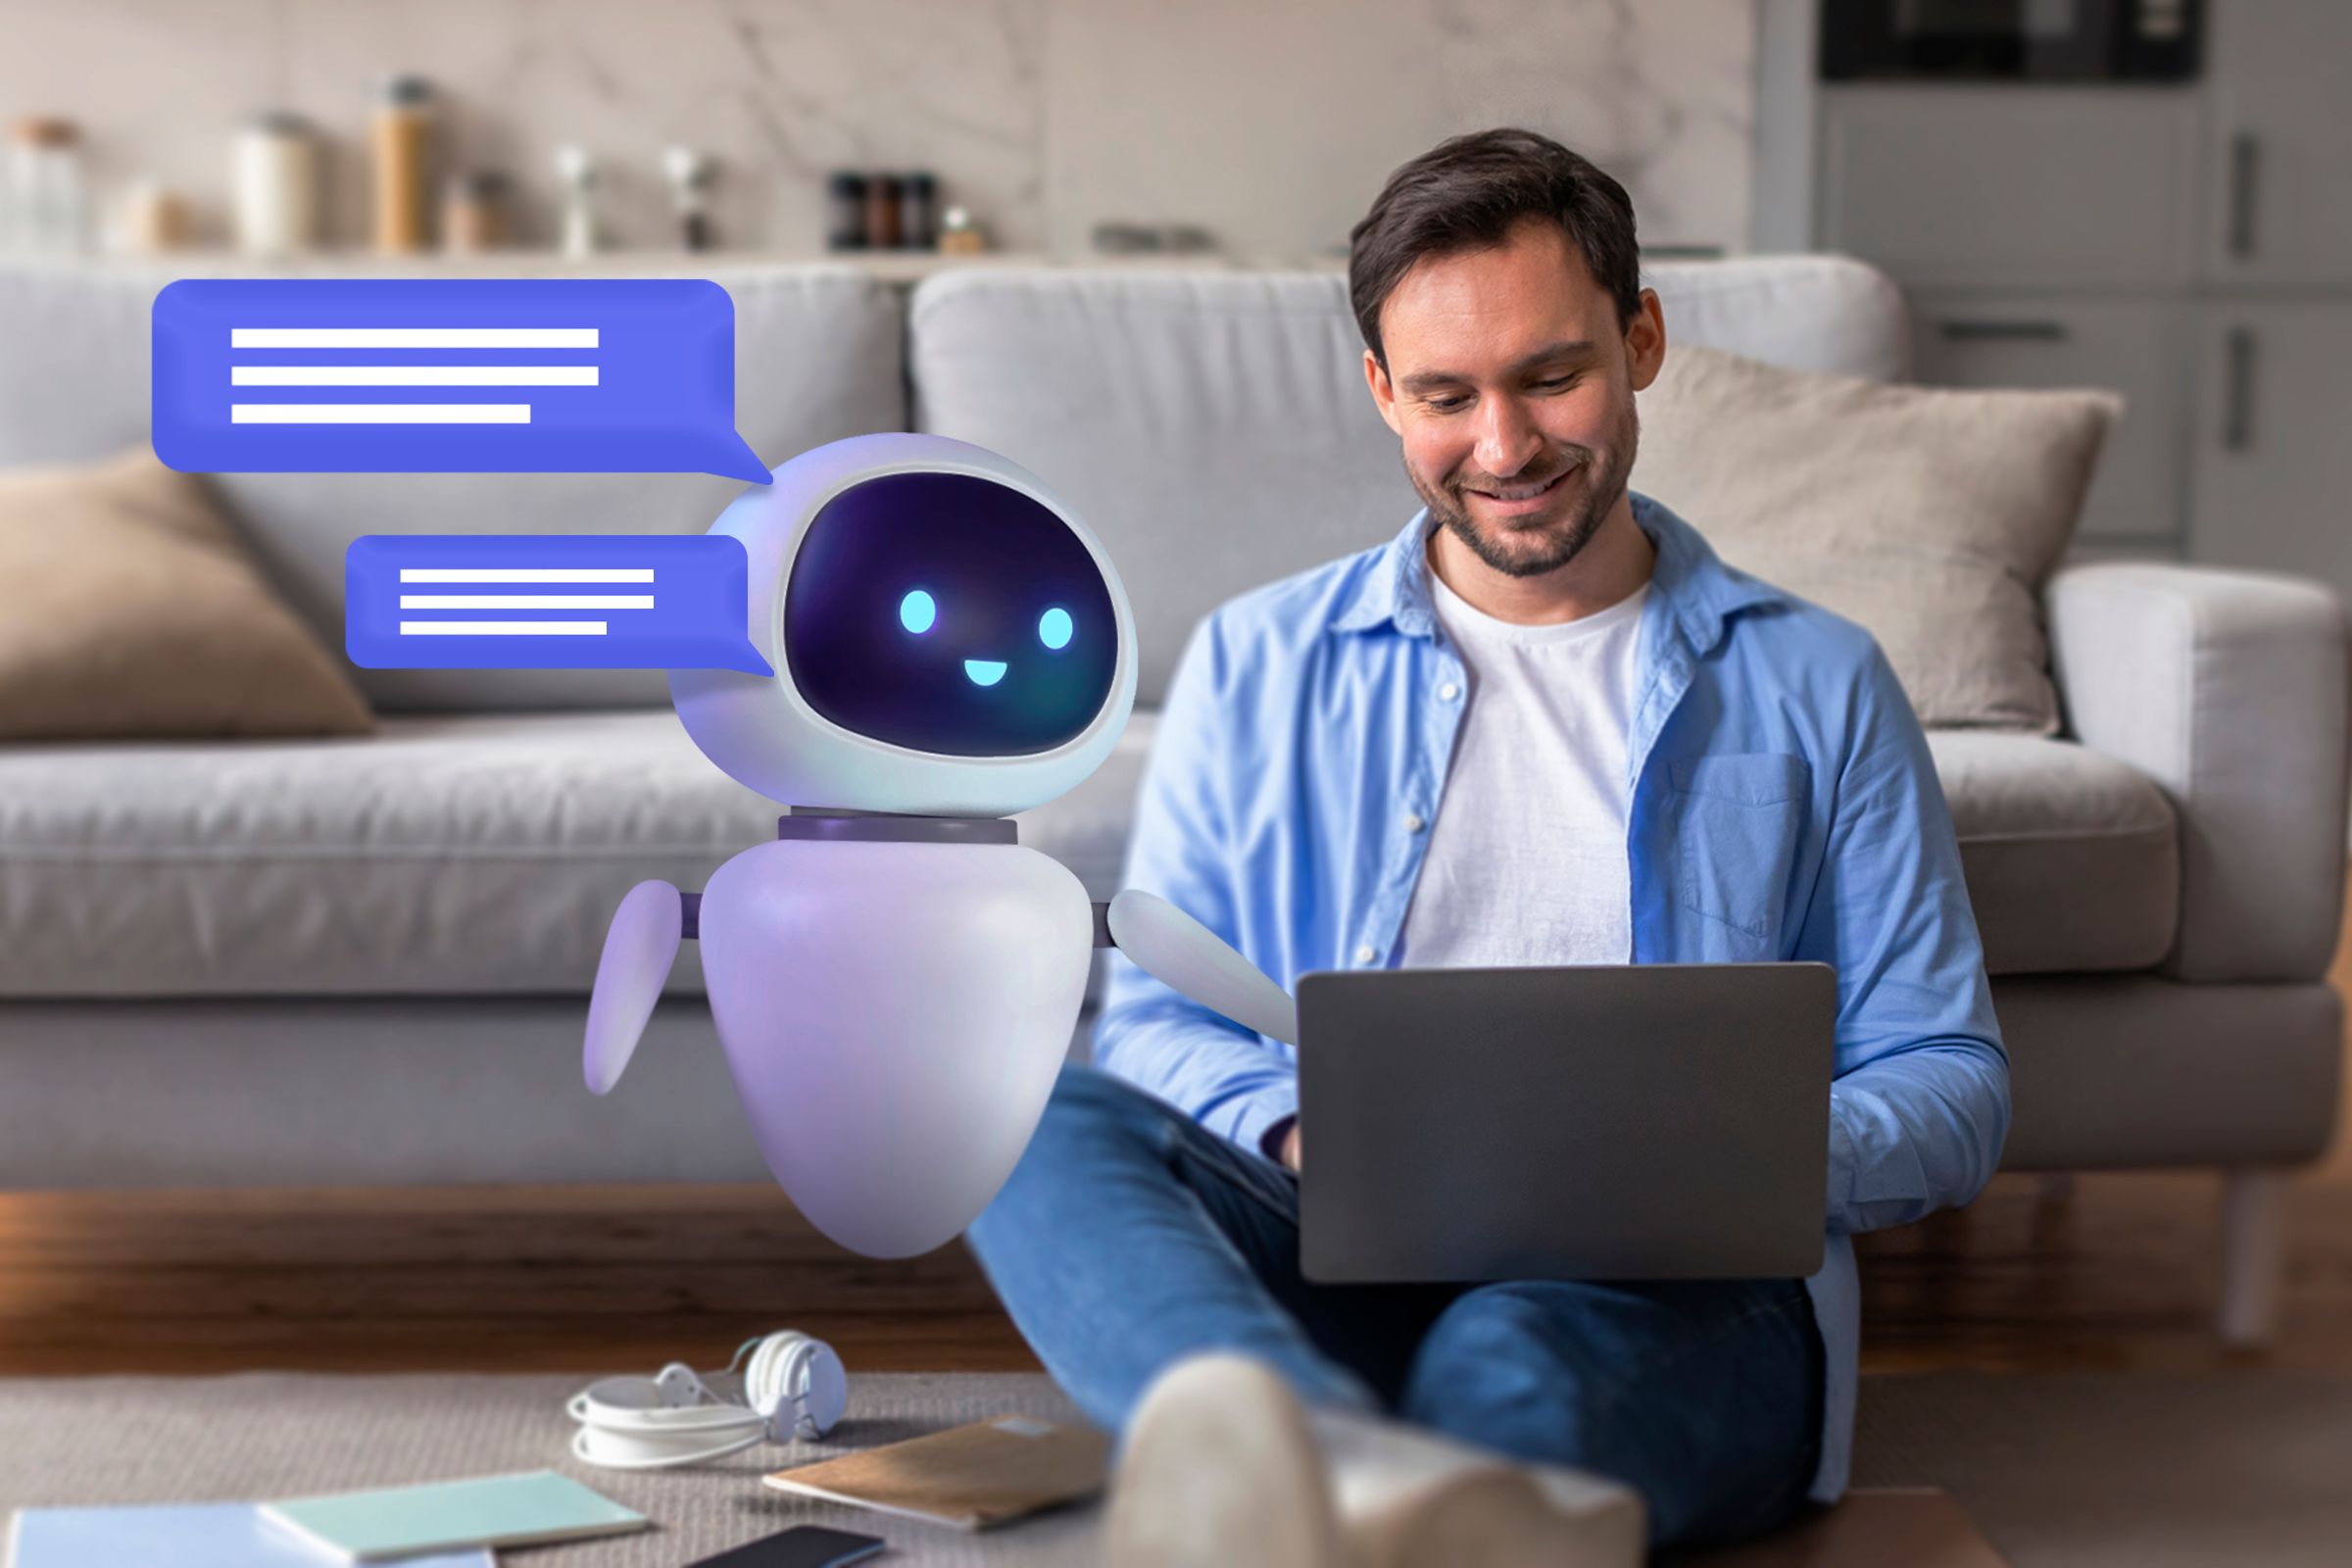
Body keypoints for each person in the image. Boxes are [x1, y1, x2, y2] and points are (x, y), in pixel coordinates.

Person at [964, 125, 2010, 1554]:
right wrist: (1292, 1128)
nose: (1504, 448)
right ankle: (1327, 1461)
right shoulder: (1260, 662)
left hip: (1661, 1295)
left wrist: (1723, 1161)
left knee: (1511, 1366)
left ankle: (1309, 1489)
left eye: (1551, 377)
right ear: (1383, 392)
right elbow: (1154, 1022)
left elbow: (1949, 1076)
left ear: (1642, 340)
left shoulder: (1819, 678)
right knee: (1016, 1109)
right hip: (1327, 1252)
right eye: (1447, 396)